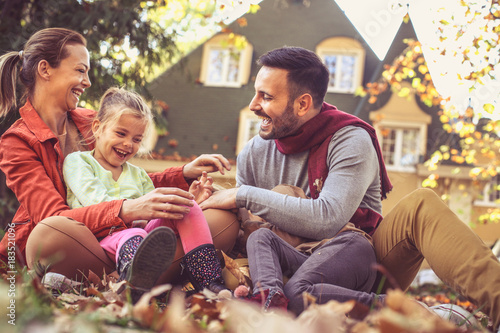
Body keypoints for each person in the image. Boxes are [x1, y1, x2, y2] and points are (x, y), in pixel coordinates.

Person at [199, 46, 500, 328]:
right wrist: (205, 205)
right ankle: (280, 303)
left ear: (302, 103)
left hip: (359, 263)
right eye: (256, 94)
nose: (253, 105)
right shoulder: (254, 153)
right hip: (287, 269)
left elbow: (327, 218)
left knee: (421, 205)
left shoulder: (350, 140)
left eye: (266, 97)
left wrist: (243, 194)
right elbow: (250, 231)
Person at [0, 28, 239, 292]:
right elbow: (55, 215)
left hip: (132, 239)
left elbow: (127, 181)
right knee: (51, 231)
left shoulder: (92, 121)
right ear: (45, 69)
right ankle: (146, 274)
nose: (88, 81)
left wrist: (184, 174)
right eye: (80, 70)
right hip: (79, 245)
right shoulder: (17, 141)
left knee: (220, 219)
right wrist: (126, 209)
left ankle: (136, 278)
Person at [62, 87, 229, 299]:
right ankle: (133, 286)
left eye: (137, 139)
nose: (127, 144)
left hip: (144, 237)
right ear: (98, 127)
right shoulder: (79, 162)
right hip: (100, 238)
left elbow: (157, 211)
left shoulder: (138, 174)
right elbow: (95, 201)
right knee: (136, 235)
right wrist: (137, 214)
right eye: (121, 133)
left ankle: (209, 281)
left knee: (186, 208)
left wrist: (188, 200)